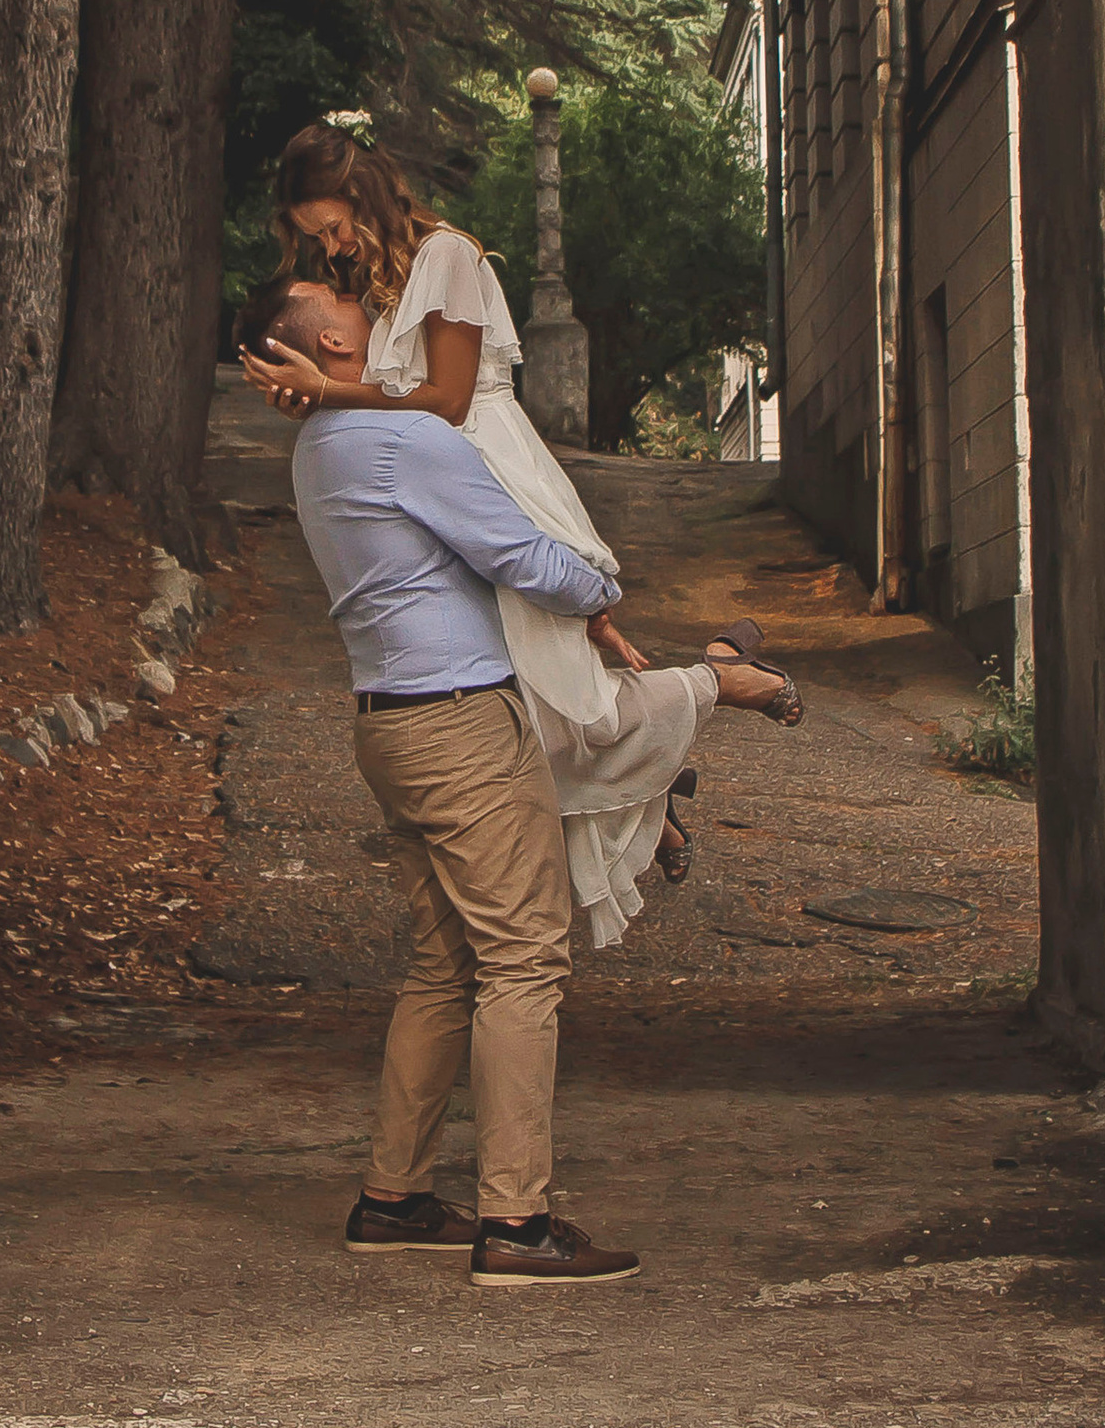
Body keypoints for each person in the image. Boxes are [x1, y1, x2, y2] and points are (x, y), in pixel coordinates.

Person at [239, 119, 801, 947]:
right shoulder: (377, 277)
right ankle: (656, 800)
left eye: (331, 225)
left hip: (488, 470)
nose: (332, 246)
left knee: (555, 689)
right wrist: (311, 391)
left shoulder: (450, 259)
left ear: (361, 189)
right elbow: (365, 382)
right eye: (316, 236)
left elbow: (448, 403)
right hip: (434, 490)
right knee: (520, 708)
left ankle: (715, 682)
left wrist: (328, 392)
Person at [268, 273, 642, 1287]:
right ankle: (515, 1223)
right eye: (333, 295)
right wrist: (602, 586)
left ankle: (391, 1199)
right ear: (329, 342)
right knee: (526, 955)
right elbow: (519, 553)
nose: (358, 294)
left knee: (445, 961)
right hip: (458, 723)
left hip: (387, 722)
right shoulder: (398, 438)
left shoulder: (320, 446)